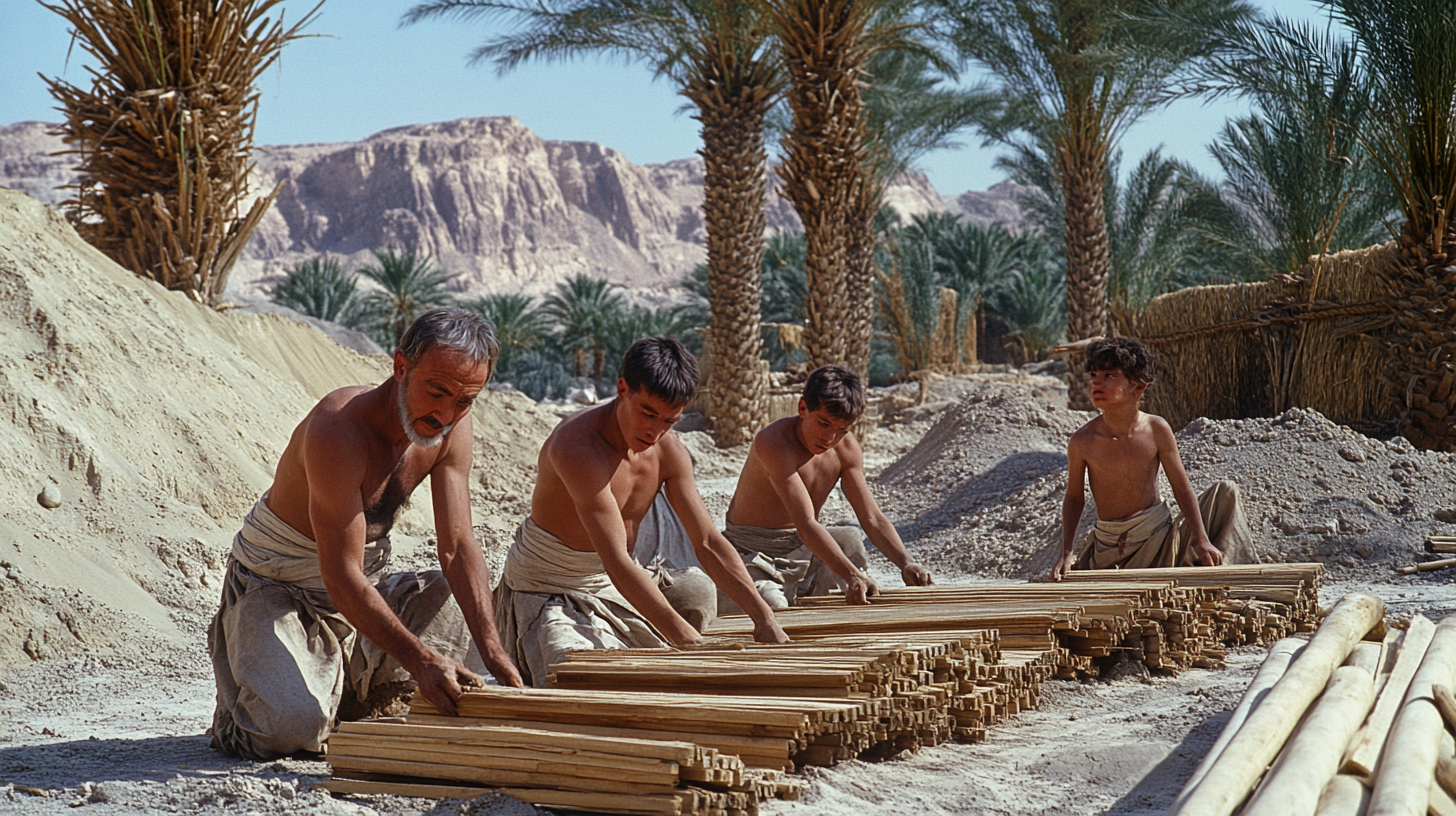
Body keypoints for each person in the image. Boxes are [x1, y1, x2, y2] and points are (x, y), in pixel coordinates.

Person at [208, 308, 523, 761]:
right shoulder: (339, 431)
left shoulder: (452, 426)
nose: (446, 413)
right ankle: (237, 709)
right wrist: (419, 659)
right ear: (400, 367)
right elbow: (340, 575)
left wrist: (493, 650)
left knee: (455, 598)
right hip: (278, 589)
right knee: (286, 733)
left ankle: (344, 694)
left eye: (464, 401)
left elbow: (457, 547)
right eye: (436, 392)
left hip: (359, 587)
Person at [495, 337, 789, 687]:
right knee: (578, 669)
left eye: (669, 420)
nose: (655, 430)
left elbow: (708, 541)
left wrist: (763, 617)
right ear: (623, 389)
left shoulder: (669, 450)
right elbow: (618, 560)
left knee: (696, 597)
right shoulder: (577, 448)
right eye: (647, 413)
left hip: (613, 578)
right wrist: (688, 642)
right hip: (549, 585)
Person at [721, 364, 932, 611]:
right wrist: (851, 574)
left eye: (842, 430)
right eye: (823, 423)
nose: (830, 438)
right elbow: (807, 522)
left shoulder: (846, 449)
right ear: (803, 408)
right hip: (753, 551)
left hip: (803, 545)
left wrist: (906, 563)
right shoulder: (774, 443)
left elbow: (872, 517)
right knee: (772, 607)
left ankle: (825, 593)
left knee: (849, 539)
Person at [1050, 336, 1254, 580]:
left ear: (1138, 387)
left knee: (1225, 492)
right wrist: (1066, 552)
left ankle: (1228, 577)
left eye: (1108, 376)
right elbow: (1074, 498)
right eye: (1093, 375)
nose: (1096, 383)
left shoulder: (1157, 429)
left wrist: (1200, 538)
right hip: (1111, 549)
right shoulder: (1083, 441)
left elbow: (1182, 487)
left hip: (1159, 539)